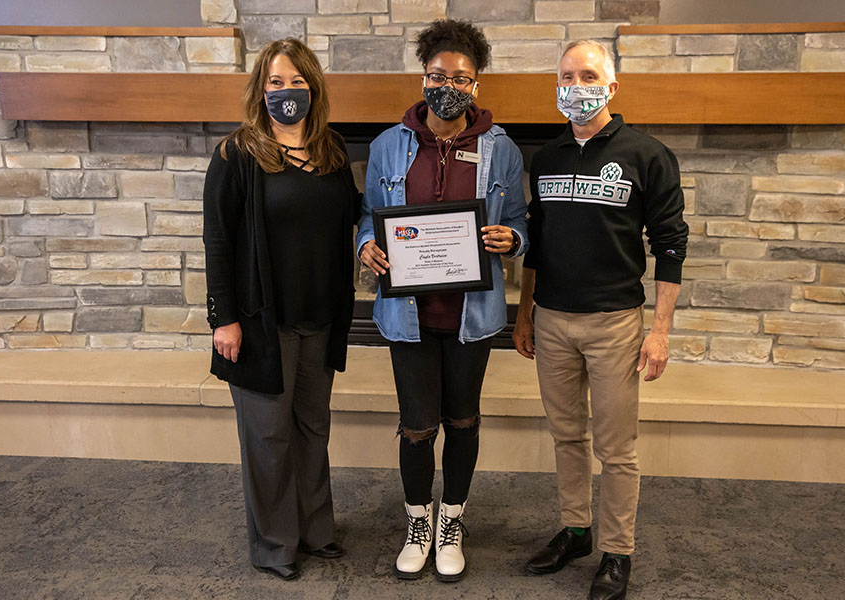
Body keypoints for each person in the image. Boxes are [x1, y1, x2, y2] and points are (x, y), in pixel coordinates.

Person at [513, 40, 688, 600]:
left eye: (587, 74)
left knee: (617, 448)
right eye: (566, 75)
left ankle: (617, 551)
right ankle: (575, 529)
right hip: (552, 319)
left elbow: (671, 246)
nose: (575, 83)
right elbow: (535, 244)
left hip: (615, 322)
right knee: (566, 436)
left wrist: (659, 331)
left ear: (611, 87)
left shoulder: (648, 155)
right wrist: (524, 314)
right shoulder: (547, 157)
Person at [356, 19, 528, 583]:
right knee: (415, 425)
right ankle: (417, 519)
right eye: (437, 75)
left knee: (463, 420)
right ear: (422, 77)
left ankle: (451, 519)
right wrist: (366, 246)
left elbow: (520, 221)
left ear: (476, 85)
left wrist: (512, 240)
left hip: (470, 317)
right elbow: (367, 217)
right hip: (407, 314)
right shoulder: (387, 145)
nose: (447, 85)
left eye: (461, 77)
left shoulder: (501, 149)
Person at [202, 38, 360, 582]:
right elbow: (217, 241)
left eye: (296, 81)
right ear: (259, 88)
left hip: (320, 318)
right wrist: (223, 318)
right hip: (259, 324)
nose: (286, 91)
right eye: (275, 81)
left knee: (313, 428)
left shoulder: (333, 152)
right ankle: (274, 544)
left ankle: (316, 530)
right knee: (268, 437)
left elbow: (355, 220)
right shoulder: (236, 154)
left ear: (313, 86)